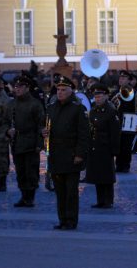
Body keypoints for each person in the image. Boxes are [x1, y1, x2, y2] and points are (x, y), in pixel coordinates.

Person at [45, 75, 90, 230]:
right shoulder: (51, 107)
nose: (60, 92)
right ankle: (62, 219)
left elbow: (84, 134)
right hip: (56, 155)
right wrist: (43, 133)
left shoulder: (78, 109)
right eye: (58, 89)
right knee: (59, 191)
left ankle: (71, 220)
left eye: (64, 90)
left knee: (71, 192)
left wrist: (80, 154)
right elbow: (47, 128)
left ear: (71, 91)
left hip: (71, 155)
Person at [7, 76, 45, 208]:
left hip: (30, 142)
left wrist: (40, 144)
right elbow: (5, 122)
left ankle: (30, 197)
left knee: (31, 172)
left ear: (27, 88)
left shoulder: (35, 104)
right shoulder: (12, 104)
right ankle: (23, 196)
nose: (17, 89)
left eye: (20, 87)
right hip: (17, 143)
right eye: (16, 87)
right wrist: (8, 131)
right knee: (20, 171)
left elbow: (41, 125)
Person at [85, 83, 121, 208]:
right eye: (96, 96)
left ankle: (108, 200)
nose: (97, 98)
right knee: (97, 174)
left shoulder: (111, 111)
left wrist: (115, 150)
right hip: (95, 146)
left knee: (106, 175)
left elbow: (115, 132)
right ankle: (100, 200)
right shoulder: (93, 110)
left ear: (106, 96)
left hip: (106, 147)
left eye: (100, 96)